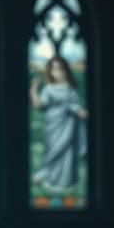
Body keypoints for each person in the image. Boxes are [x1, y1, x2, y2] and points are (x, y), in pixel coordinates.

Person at [30, 55, 88, 192]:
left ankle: (64, 182)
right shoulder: (48, 89)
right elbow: (39, 105)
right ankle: (49, 176)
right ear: (50, 72)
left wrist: (79, 111)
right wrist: (33, 91)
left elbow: (73, 104)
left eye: (61, 69)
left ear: (66, 70)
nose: (58, 73)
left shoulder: (70, 88)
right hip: (52, 124)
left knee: (67, 151)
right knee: (53, 151)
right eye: (54, 69)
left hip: (68, 124)